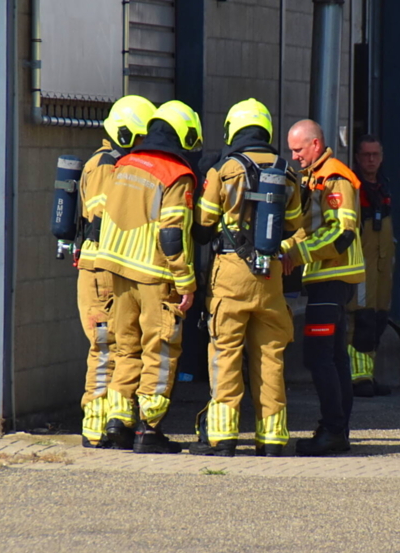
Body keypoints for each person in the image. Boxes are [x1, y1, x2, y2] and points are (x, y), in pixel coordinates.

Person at [190, 99, 303, 457]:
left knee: (226, 353)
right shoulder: (286, 172)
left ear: (232, 129)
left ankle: (223, 438)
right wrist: (278, 250)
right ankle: (272, 439)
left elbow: (204, 224)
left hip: (231, 274)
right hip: (270, 276)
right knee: (271, 356)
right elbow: (299, 229)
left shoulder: (223, 171)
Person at [93, 100, 203, 453]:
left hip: (116, 271)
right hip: (155, 275)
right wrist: (185, 280)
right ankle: (148, 429)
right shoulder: (174, 174)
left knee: (126, 348)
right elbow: (172, 233)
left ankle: (118, 422)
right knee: (161, 350)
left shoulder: (123, 164)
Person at [76, 95, 156, 448]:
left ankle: (103, 426)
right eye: (139, 138)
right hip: (100, 271)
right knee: (106, 348)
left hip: (102, 266)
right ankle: (95, 429)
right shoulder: (107, 166)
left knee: (113, 347)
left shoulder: (106, 161)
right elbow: (108, 215)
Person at [282, 119, 365, 456]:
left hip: (332, 278)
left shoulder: (333, 177)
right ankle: (337, 430)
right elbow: (311, 227)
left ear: (315, 144)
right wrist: (287, 247)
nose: (294, 156)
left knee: (319, 358)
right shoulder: (315, 176)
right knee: (333, 358)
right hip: (328, 280)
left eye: (298, 149)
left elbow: (342, 232)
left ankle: (333, 431)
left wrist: (298, 254)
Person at [348, 135, 396, 398]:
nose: (371, 160)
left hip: (381, 266)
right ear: (357, 157)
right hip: (362, 265)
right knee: (361, 318)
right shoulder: (353, 188)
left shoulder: (383, 186)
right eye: (366, 155)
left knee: (378, 318)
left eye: (375, 155)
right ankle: (358, 377)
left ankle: (368, 373)